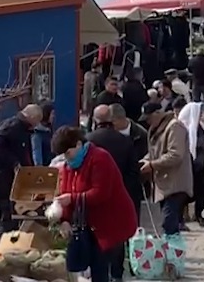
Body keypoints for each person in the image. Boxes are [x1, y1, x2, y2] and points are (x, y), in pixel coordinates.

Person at [52, 126, 138, 282]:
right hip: (89, 225)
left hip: (111, 221)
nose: (66, 158)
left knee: (100, 267)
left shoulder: (100, 158)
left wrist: (73, 198)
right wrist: (65, 220)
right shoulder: (68, 166)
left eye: (68, 153)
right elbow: (64, 193)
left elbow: (100, 193)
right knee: (90, 266)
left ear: (78, 144)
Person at [86, 105, 141, 282]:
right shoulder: (125, 141)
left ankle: (99, 272)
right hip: (120, 196)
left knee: (98, 234)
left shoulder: (88, 141)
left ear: (95, 120)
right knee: (118, 235)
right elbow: (134, 172)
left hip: (95, 197)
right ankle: (117, 273)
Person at [0, 104, 42, 233]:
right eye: (37, 120)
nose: (37, 124)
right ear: (31, 117)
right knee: (6, 214)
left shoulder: (23, 129)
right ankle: (4, 244)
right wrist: (14, 162)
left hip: (7, 178)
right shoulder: (13, 126)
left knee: (10, 214)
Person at [139, 101, 194, 235]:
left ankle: (173, 252)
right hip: (164, 185)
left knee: (168, 223)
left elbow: (175, 155)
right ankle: (172, 251)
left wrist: (152, 165)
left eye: (149, 118)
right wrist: (144, 161)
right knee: (169, 225)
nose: (148, 122)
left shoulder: (175, 127)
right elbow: (154, 152)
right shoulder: (157, 129)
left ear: (158, 114)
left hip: (176, 184)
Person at [176, 100, 204, 228]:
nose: (201, 115)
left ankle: (198, 214)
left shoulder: (200, 128)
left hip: (200, 165)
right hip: (186, 166)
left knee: (201, 191)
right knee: (185, 194)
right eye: (199, 113)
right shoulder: (181, 129)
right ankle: (180, 218)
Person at [31, 101, 55, 166]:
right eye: (52, 113)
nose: (53, 116)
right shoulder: (37, 134)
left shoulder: (49, 130)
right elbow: (37, 156)